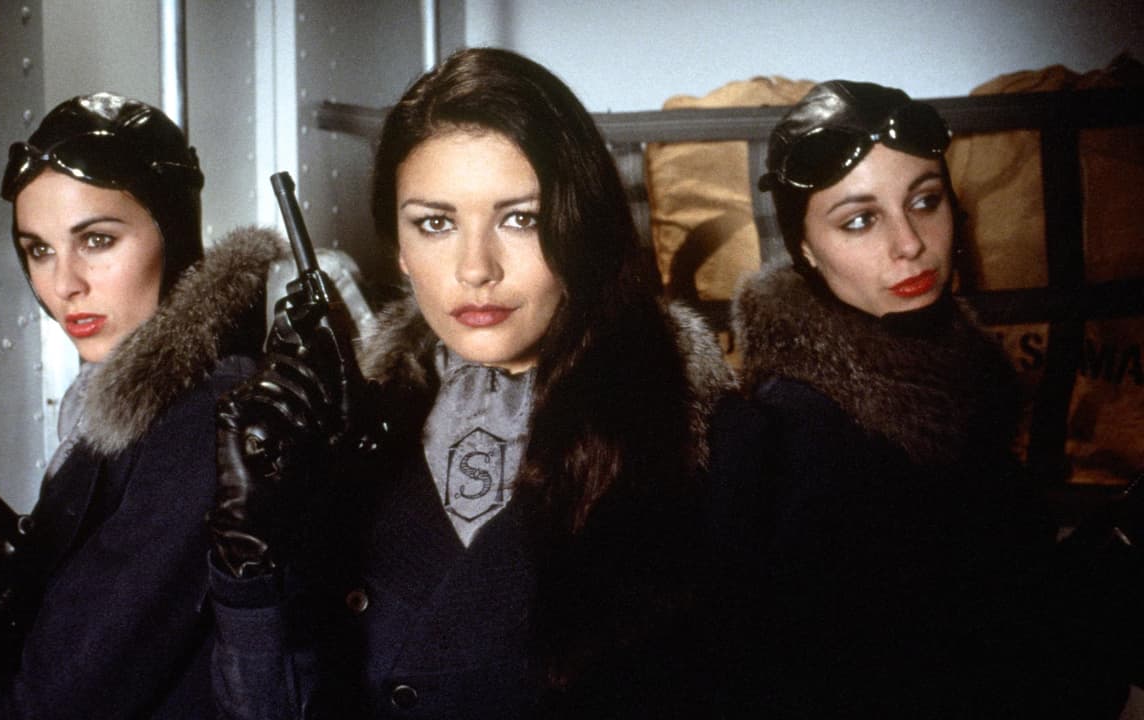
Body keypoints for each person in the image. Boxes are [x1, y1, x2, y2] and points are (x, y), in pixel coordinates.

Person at [205, 47, 736, 719]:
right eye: (436, 223)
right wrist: (254, 561)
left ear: (581, 228)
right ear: (400, 249)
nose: (476, 268)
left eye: (521, 218)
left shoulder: (715, 444)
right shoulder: (359, 430)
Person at [711, 79, 1143, 718]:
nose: (910, 243)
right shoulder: (803, 445)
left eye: (925, 201)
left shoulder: (949, 383)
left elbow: (1006, 599)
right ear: (804, 249)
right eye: (860, 220)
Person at [0, 92, 283, 718]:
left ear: (175, 234)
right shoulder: (111, 400)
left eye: (97, 240)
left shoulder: (207, 415)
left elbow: (61, 700)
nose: (64, 283)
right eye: (38, 249)